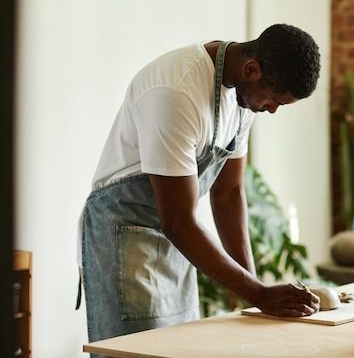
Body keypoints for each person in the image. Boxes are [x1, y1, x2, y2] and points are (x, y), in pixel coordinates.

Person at [78, 24, 321, 347]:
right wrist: (258, 293)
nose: (272, 109)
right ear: (252, 69)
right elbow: (178, 221)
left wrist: (248, 286)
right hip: (125, 239)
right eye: (274, 100)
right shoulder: (177, 91)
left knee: (178, 351)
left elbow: (228, 193)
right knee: (139, 353)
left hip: (174, 245)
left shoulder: (243, 97)